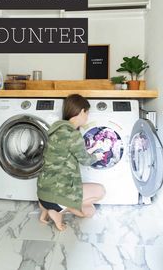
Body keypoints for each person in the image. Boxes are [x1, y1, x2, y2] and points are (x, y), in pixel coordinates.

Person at [37, 94, 105, 231]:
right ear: (81, 111)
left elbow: (68, 152)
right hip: (58, 192)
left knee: (88, 210)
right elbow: (85, 160)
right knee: (100, 193)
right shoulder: (72, 134)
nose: (87, 117)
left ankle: (46, 208)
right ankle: (57, 210)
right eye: (87, 113)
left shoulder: (55, 129)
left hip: (43, 191)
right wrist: (98, 156)